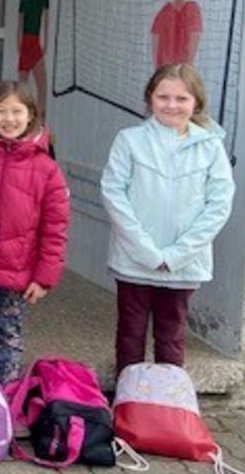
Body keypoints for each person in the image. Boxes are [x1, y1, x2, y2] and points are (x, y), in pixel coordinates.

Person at [100, 64, 233, 372]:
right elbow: (113, 193)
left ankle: (169, 399)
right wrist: (146, 251)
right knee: (130, 334)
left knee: (171, 337)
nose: (171, 105)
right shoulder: (129, 140)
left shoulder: (211, 147)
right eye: (163, 97)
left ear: (196, 102)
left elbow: (219, 205)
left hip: (184, 265)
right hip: (134, 262)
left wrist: (177, 254)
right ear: (150, 98)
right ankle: (129, 396)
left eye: (181, 98)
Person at [0, 81, 70, 384]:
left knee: (9, 332)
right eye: (1, 111)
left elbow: (55, 228)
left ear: (31, 115)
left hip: (20, 269)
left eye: (17, 111)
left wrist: (44, 276)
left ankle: (7, 394)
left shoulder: (46, 169)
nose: (9, 119)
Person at [151, 0, 202, 68]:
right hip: (165, 69)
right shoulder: (165, 11)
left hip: (182, 70)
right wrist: (159, 69)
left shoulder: (193, 10)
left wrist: (186, 69)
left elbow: (193, 41)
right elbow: (155, 38)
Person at [16, 0, 50, 117]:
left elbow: (46, 18)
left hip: (36, 40)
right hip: (25, 40)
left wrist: (45, 42)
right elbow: (20, 19)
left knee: (42, 85)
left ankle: (40, 118)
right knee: (22, 85)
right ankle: (22, 116)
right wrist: (18, 41)